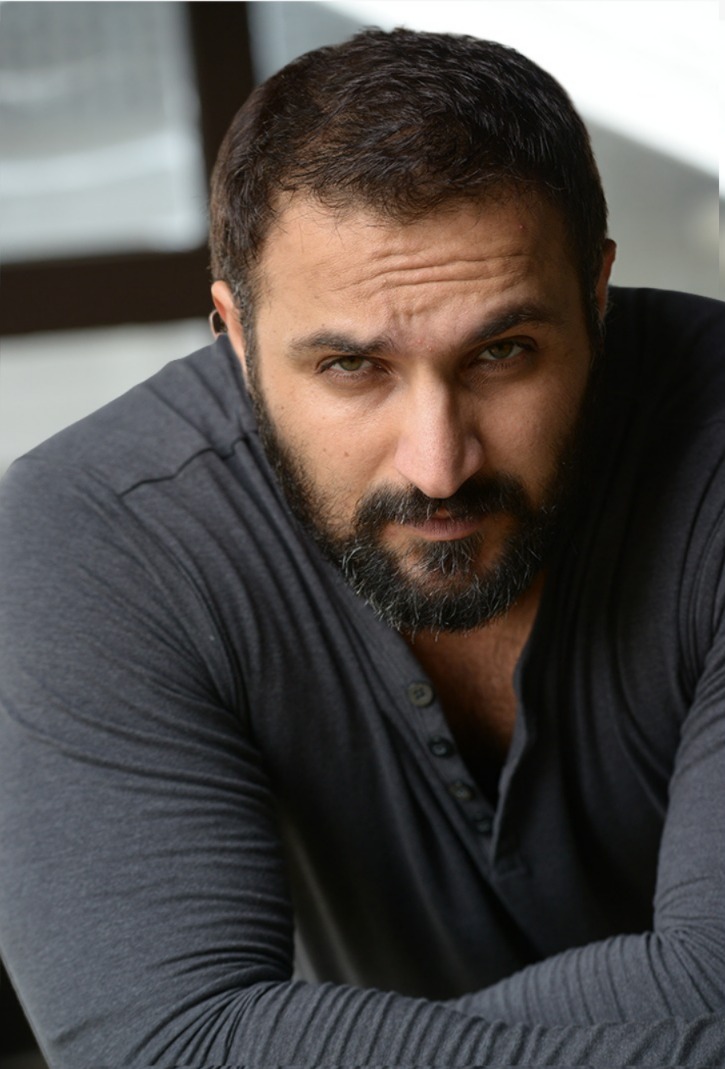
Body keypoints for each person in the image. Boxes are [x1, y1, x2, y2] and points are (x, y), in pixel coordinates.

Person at [0, 27, 724, 1069]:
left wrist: (286, 1042)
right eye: (350, 367)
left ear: (595, 297)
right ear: (236, 337)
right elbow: (159, 1048)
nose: (437, 464)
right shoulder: (99, 535)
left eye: (502, 352)